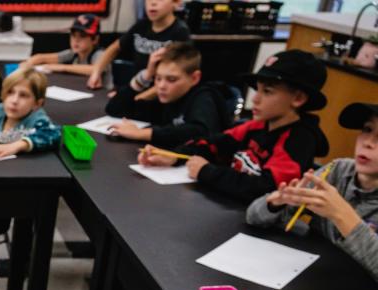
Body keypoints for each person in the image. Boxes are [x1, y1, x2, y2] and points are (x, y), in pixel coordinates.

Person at [138, 51, 329, 204]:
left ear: (298, 99)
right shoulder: (257, 126)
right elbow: (213, 143)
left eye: (268, 92)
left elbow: (266, 188)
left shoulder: (299, 140)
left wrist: (207, 172)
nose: (255, 99)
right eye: (257, 90)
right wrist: (174, 157)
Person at [246, 102, 378, 281]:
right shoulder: (337, 170)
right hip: (315, 282)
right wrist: (277, 203)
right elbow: (253, 217)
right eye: (367, 129)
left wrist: (342, 215)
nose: (368, 143)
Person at [105, 42, 230, 148]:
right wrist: (146, 76)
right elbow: (115, 109)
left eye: (171, 79)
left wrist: (141, 133)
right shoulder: (168, 97)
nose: (161, 86)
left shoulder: (203, 97)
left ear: (194, 78)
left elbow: (199, 131)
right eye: (158, 78)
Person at [87, 0, 190, 90]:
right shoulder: (141, 26)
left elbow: (178, 79)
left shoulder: (180, 32)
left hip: (161, 94)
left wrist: (134, 97)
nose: (153, 3)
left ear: (176, 2)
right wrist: (96, 72)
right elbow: (114, 48)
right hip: (137, 86)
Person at [20, 14, 107, 88]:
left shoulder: (100, 54)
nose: (76, 40)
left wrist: (62, 67)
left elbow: (96, 69)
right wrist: (28, 63)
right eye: (73, 35)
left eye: (82, 36)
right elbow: (41, 57)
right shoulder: (73, 53)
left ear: (95, 39)